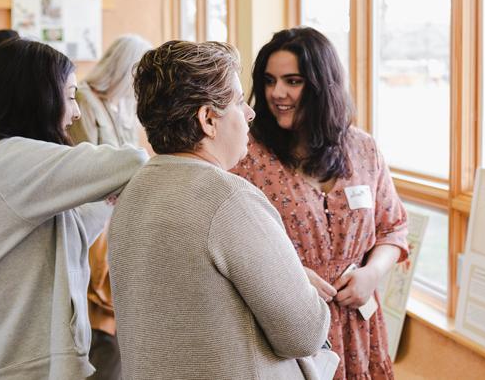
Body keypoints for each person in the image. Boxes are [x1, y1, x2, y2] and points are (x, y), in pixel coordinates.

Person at [108, 40, 330, 380]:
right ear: (208, 119)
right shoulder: (229, 200)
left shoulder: (136, 189)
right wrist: (301, 282)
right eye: (240, 102)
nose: (251, 113)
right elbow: (304, 333)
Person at [232, 27, 409, 379]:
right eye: (268, 81)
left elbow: (394, 228)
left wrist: (370, 274)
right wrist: (291, 275)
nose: (276, 93)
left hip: (359, 326)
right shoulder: (246, 155)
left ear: (321, 86)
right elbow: (232, 246)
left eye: (292, 81)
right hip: (288, 326)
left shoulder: (362, 148)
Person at [0, 38, 148, 379]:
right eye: (70, 96)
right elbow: (133, 160)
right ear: (37, 99)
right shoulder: (11, 159)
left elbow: (68, 231)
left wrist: (105, 199)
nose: (77, 111)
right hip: (17, 364)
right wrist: (110, 182)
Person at [68, 34, 151, 380]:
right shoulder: (84, 100)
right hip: (93, 225)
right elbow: (87, 167)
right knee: (103, 329)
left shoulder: (119, 108)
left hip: (113, 223)